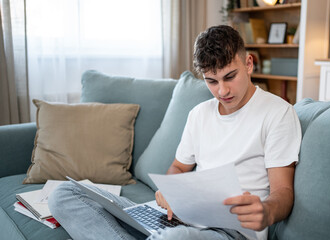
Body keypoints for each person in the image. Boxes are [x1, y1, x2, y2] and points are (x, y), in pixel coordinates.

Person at [49, 25, 301, 240]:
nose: (222, 91)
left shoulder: (277, 113)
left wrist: (266, 212)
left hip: (230, 232)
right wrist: (170, 192)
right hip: (181, 220)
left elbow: (283, 192)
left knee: (174, 238)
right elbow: (178, 169)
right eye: (211, 81)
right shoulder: (199, 114)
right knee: (64, 193)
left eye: (229, 77)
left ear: (248, 64)